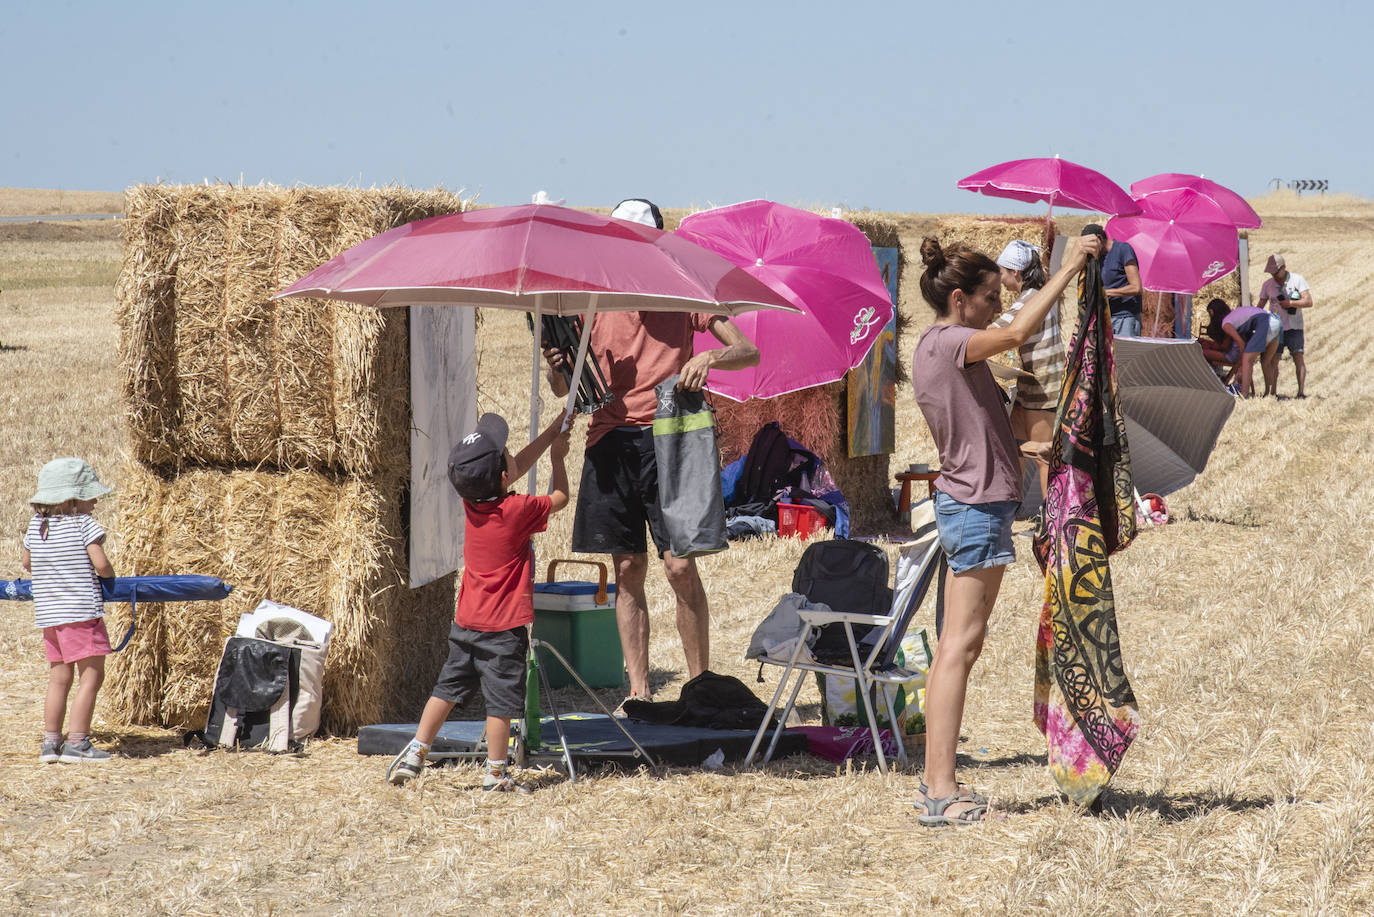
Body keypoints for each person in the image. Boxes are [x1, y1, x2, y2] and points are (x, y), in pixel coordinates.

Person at [910, 233, 1099, 827]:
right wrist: (1065, 270)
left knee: (958, 645)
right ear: (961, 300)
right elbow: (1019, 334)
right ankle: (940, 791)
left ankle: (936, 782)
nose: (999, 306)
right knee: (958, 648)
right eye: (991, 297)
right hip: (974, 509)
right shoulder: (950, 344)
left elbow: (976, 433)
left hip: (975, 503)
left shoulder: (944, 350)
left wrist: (1031, 446)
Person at [543, 198, 760, 707]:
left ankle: (700, 685)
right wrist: (557, 364)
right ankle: (638, 692)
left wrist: (709, 354)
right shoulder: (590, 300)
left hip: (672, 438)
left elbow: (748, 350)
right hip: (609, 441)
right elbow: (563, 388)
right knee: (626, 570)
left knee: (680, 565)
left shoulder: (686, 292)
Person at [387, 412, 572, 790]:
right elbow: (561, 498)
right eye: (504, 454)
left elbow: (512, 470)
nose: (509, 456)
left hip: (466, 624)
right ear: (503, 478)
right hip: (503, 633)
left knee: (446, 690)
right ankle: (495, 774)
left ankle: (416, 753)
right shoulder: (517, 511)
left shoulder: (473, 504)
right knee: (501, 704)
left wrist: (552, 432)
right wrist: (558, 458)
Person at [21, 458, 117, 763]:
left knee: (58, 678)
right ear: (73, 499)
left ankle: (51, 742)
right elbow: (100, 564)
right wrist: (111, 578)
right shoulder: (83, 523)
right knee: (91, 676)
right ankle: (78, 742)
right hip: (81, 614)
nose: (96, 501)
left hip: (51, 617)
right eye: (91, 496)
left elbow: (27, 563)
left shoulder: (37, 525)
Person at [991, 239, 1064, 499]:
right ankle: (1015, 508)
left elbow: (995, 332)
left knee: (1044, 456)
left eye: (1002, 273)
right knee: (1017, 448)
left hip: (1044, 388)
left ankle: (1051, 520)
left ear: (1016, 273)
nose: (1000, 279)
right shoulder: (1034, 296)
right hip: (1030, 386)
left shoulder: (1029, 301)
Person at [1255, 254, 1312, 398]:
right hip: (1275, 328)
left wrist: (1291, 303)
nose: (1274, 275)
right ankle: (1272, 392)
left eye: (1276, 272)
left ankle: (1300, 392)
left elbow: (1309, 301)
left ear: (1284, 268)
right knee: (1274, 360)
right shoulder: (1267, 284)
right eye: (1272, 273)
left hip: (1294, 326)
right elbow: (1260, 306)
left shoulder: (1297, 280)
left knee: (1298, 357)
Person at [1080, 224, 1142, 336]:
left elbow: (1136, 288)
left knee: (1125, 353)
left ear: (1099, 238)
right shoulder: (1095, 257)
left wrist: (1106, 293)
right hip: (1104, 317)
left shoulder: (1123, 249)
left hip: (1125, 318)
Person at [1219, 304, 1281, 397]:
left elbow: (1241, 344)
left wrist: (1241, 365)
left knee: (1247, 360)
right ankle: (1270, 394)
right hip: (1277, 321)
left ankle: (1244, 394)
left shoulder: (1225, 324)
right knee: (1266, 362)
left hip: (1266, 322)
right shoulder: (1237, 317)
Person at [1198, 298, 1241, 386]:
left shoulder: (1227, 323)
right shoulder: (1229, 319)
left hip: (1233, 354)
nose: (1210, 316)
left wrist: (1209, 345)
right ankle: (1213, 375)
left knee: (1200, 352)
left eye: (1210, 313)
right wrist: (1207, 343)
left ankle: (1211, 378)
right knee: (1203, 348)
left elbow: (1225, 347)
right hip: (1232, 352)